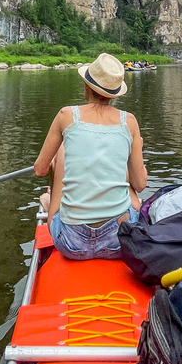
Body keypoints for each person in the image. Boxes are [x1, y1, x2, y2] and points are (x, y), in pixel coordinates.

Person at [34, 53, 147, 260]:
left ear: (87, 86)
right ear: (114, 94)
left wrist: (55, 163)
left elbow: (40, 169)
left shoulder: (66, 115)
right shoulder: (129, 122)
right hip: (118, 242)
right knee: (129, 171)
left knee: (61, 150)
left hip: (71, 244)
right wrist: (132, 151)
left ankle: (51, 203)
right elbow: (140, 184)